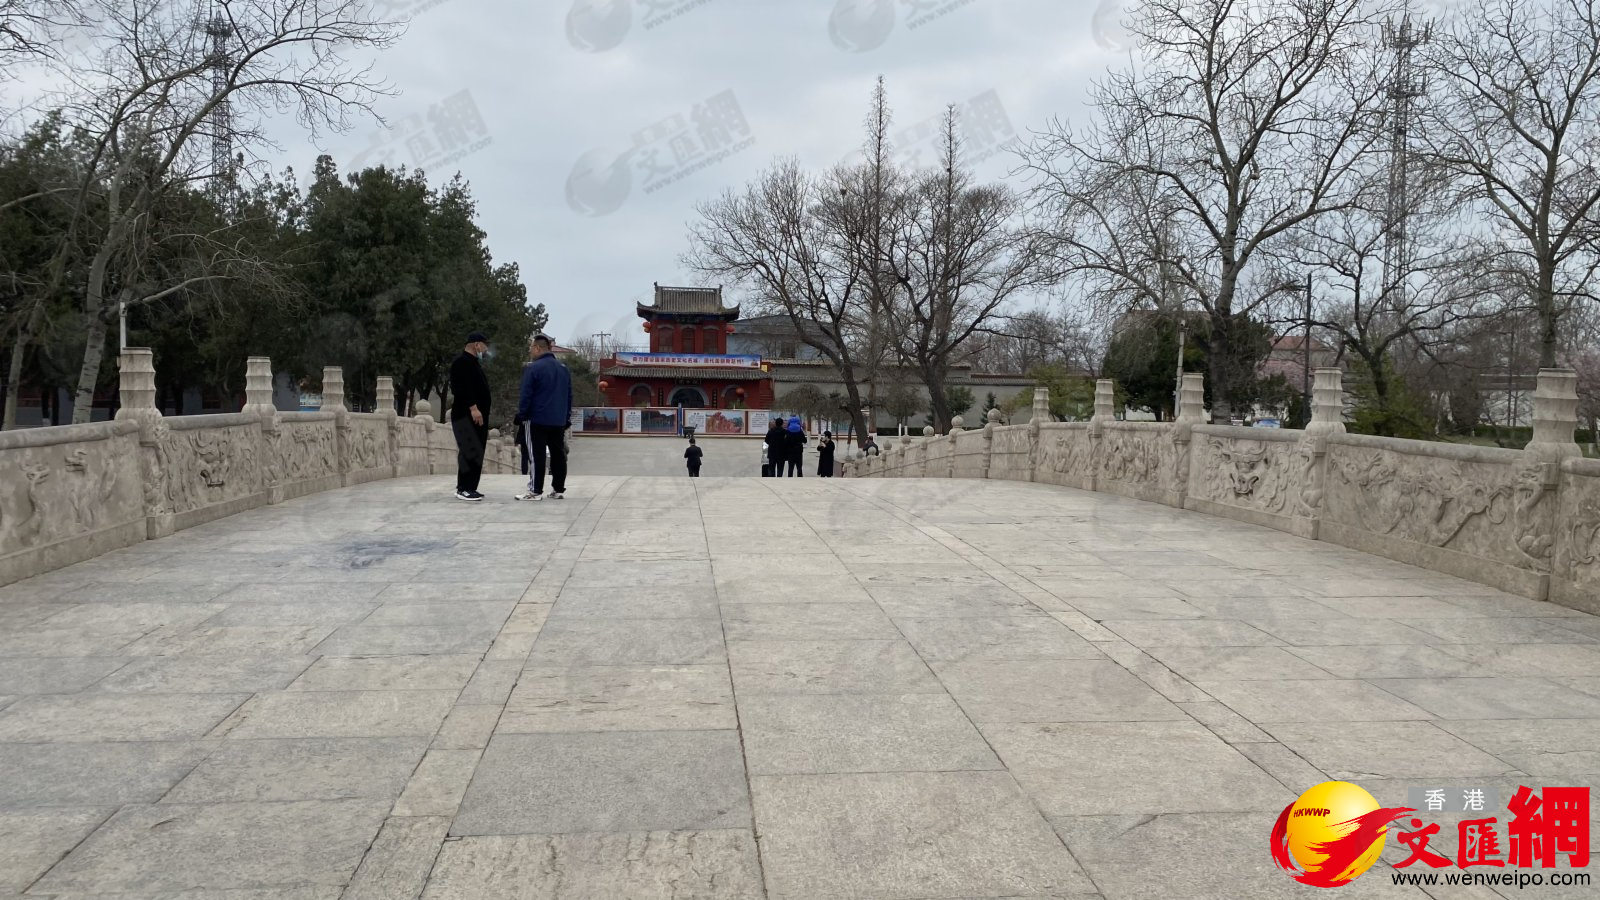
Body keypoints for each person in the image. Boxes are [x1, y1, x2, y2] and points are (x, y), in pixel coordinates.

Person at [514, 333, 573, 501]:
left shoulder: (533, 368)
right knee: (558, 454)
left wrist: (522, 414)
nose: (530, 351)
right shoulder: (563, 369)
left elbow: (526, 394)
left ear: (538, 348)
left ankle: (535, 490)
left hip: (537, 419)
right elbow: (569, 396)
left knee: (536, 455)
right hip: (558, 420)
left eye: (531, 347)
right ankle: (558, 489)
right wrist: (566, 418)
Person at [449, 331, 492, 501]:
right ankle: (463, 488)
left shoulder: (474, 363)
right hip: (465, 414)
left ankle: (471, 487)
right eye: (484, 345)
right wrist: (473, 408)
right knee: (468, 450)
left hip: (478, 417)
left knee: (476, 451)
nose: (486, 349)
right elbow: (461, 388)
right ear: (476, 345)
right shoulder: (462, 362)